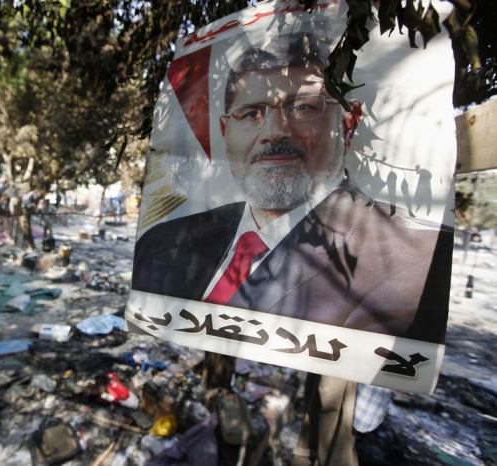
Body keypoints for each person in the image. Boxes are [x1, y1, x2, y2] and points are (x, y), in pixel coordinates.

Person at [132, 32, 453, 345]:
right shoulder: (163, 241)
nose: (275, 132)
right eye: (252, 112)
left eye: (303, 107)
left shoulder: (415, 259)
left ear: (347, 122)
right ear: (225, 131)